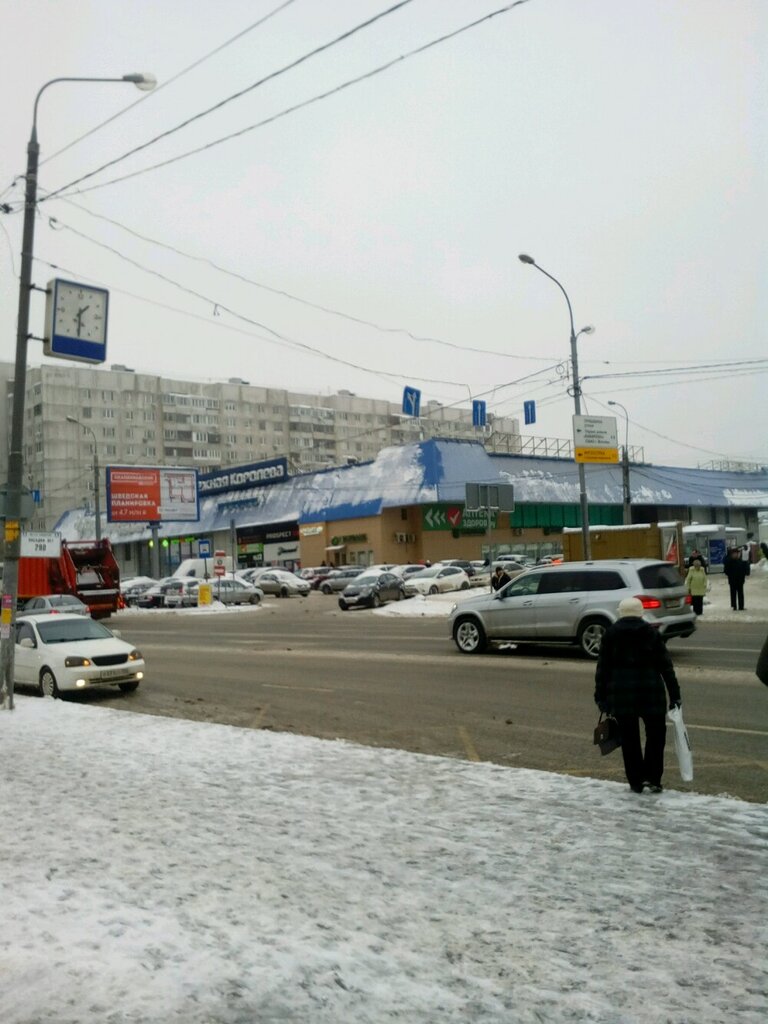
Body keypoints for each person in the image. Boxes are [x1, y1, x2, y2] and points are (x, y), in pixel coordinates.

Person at [594, 597, 681, 794]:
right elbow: (666, 667)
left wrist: (601, 697)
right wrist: (675, 695)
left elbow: (603, 670)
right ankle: (654, 778)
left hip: (622, 696)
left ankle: (636, 781)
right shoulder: (651, 633)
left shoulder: (610, 634)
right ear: (641, 612)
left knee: (630, 739)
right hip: (652, 694)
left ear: (620, 612)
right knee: (656, 737)